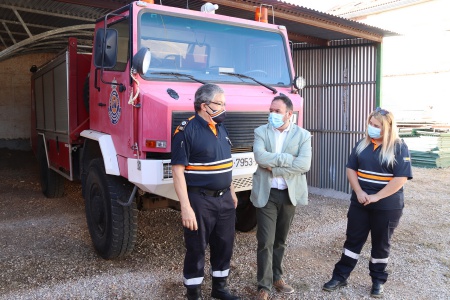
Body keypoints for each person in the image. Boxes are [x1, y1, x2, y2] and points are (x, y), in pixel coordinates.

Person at [322, 107, 413, 298]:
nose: (371, 128)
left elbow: (400, 178)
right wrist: (359, 191)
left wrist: (377, 196)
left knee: (381, 244)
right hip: (360, 203)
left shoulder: (399, 147)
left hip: (386, 206)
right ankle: (340, 276)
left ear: (387, 128)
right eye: (370, 124)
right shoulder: (361, 144)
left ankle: (378, 281)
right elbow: (350, 169)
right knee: (353, 241)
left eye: (376, 126)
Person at [171, 83, 240, 300]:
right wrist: (185, 208)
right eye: (219, 103)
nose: (224, 108)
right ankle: (194, 293)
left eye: (224, 103)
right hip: (199, 201)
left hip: (225, 200)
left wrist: (232, 190)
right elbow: (177, 171)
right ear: (204, 105)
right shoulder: (186, 130)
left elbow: (225, 163)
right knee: (196, 248)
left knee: (224, 245)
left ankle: (219, 289)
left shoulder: (221, 128)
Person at [250, 95, 312, 300]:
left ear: (288, 114)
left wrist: (274, 168)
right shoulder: (260, 131)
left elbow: (304, 165)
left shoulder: (303, 135)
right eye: (271, 110)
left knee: (280, 240)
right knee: (265, 241)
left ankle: (277, 277)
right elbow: (260, 157)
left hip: (288, 194)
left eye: (277, 111)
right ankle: (264, 286)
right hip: (266, 194)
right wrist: (288, 161)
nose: (272, 114)